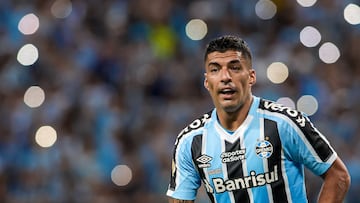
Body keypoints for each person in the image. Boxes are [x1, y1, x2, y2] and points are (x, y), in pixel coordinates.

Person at [166, 35, 350, 203]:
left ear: (251, 77)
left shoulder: (284, 123)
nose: (225, 77)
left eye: (235, 68)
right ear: (207, 82)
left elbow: (338, 176)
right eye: (215, 70)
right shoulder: (190, 141)